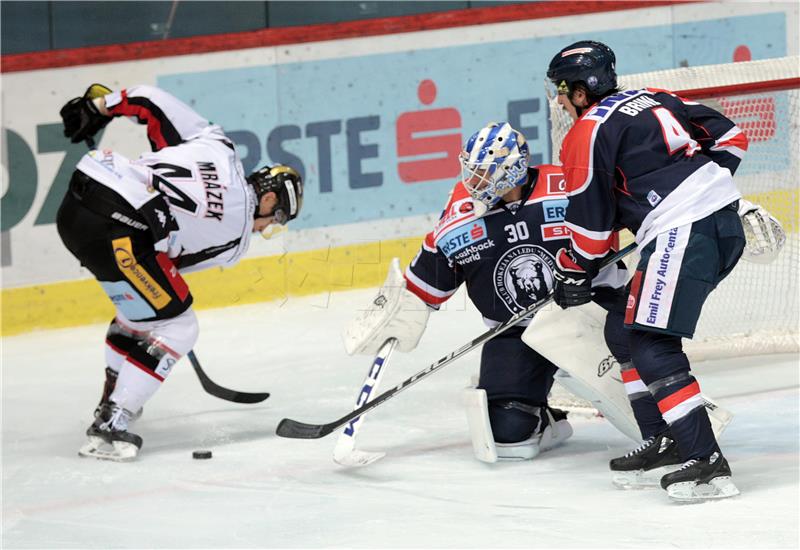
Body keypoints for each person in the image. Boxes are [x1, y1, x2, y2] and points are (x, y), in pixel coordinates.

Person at [545, 40, 781, 501]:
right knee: (624, 331)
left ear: (581, 90)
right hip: (718, 223)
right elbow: (731, 135)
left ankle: (707, 463)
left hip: (684, 231)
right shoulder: (654, 96)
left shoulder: (586, 132)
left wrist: (573, 271)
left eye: (562, 89)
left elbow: (591, 226)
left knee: (653, 343)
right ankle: (665, 439)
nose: (558, 99)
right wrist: (700, 188)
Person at [342, 122, 628, 462]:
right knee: (509, 436)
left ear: (513, 171)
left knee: (648, 411)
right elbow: (426, 281)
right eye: (471, 171)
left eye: (484, 173)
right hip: (516, 332)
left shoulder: (567, 188)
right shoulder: (460, 214)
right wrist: (400, 310)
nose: (473, 181)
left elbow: (629, 217)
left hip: (593, 315)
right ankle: (546, 421)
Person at [57, 84, 304, 461]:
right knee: (178, 325)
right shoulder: (237, 242)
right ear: (269, 198)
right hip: (122, 231)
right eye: (277, 218)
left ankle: (112, 399)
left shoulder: (216, 144)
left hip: (77, 204)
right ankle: (113, 422)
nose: (267, 227)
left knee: (140, 312)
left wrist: (100, 107)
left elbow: (147, 99)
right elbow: (170, 263)